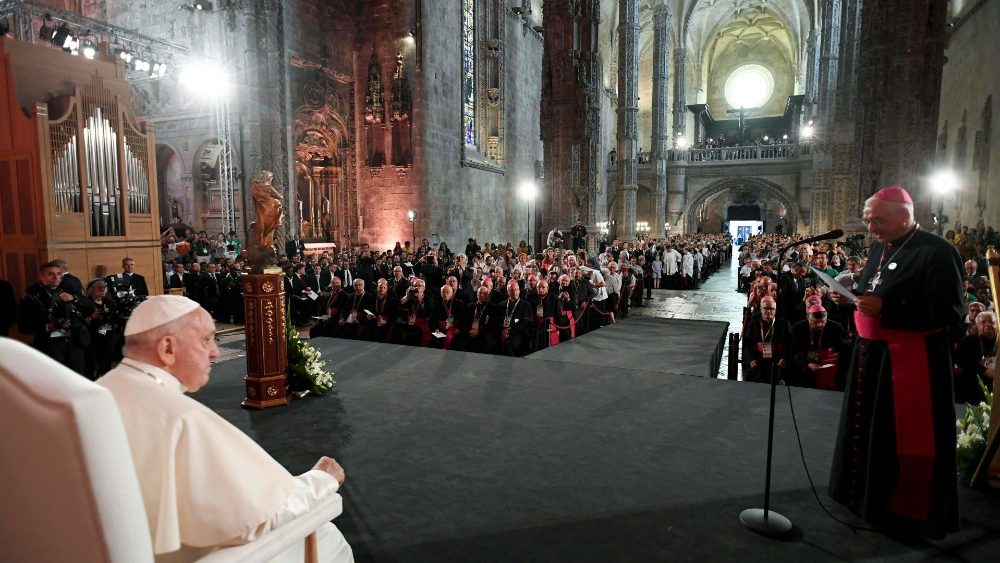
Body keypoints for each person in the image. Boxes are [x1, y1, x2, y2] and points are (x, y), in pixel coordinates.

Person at [97, 296, 353, 562]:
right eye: (206, 340)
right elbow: (254, 518)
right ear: (167, 348)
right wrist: (321, 480)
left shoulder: (99, 391)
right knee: (327, 535)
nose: (215, 352)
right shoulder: (180, 418)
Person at [828, 185, 962, 538]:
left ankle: (898, 509)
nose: (870, 227)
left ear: (904, 216)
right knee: (867, 427)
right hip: (869, 357)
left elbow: (950, 315)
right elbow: (876, 289)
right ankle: (859, 495)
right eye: (868, 220)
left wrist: (888, 308)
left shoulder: (938, 253)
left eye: (878, 220)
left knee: (896, 436)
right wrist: (851, 298)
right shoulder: (879, 246)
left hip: (909, 363)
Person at [741, 296, 791, 383]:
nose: (768, 311)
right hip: (759, 359)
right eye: (765, 308)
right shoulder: (753, 325)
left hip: (777, 360)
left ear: (775, 310)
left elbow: (790, 345)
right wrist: (751, 360)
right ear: (761, 309)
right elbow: (747, 346)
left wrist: (784, 358)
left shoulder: (785, 325)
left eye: (771, 309)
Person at [955, 310, 996, 404]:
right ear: (977, 326)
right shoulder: (968, 341)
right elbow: (963, 362)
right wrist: (984, 370)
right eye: (983, 322)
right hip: (974, 389)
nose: (988, 324)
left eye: (991, 322)